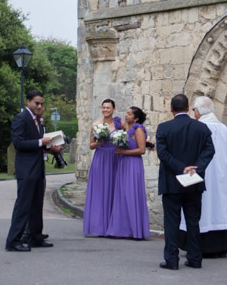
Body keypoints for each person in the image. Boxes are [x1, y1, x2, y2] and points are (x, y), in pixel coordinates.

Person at [155, 93, 215, 270]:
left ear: (171, 108)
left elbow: (163, 154)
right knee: (193, 221)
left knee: (172, 222)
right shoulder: (201, 128)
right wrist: (195, 167)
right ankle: (195, 258)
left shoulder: (164, 128)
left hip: (171, 182)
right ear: (188, 107)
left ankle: (172, 259)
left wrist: (181, 168)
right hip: (194, 181)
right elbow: (209, 151)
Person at [179, 95, 227, 258]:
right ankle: (220, 246)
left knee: (203, 208)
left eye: (194, 110)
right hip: (221, 177)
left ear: (198, 111)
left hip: (202, 173)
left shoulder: (198, 128)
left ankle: (200, 246)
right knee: (219, 207)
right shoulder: (223, 129)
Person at [5, 89, 63, 252]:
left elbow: (38, 144)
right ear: (28, 102)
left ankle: (35, 235)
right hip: (26, 168)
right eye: (36, 103)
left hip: (38, 168)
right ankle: (13, 240)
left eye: (41, 103)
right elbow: (19, 143)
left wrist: (50, 149)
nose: (39, 106)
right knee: (23, 205)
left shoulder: (37, 120)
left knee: (37, 204)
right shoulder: (21, 118)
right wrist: (40, 142)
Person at [106, 106, 150, 239]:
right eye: (126, 113)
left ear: (136, 118)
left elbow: (142, 150)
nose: (126, 115)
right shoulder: (125, 129)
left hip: (133, 163)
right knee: (122, 193)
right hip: (123, 163)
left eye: (129, 114)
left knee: (132, 193)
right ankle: (122, 228)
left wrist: (124, 152)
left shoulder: (138, 129)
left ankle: (135, 229)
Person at [83, 98, 123, 236]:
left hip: (115, 157)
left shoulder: (118, 124)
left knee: (113, 189)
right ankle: (99, 225)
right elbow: (91, 145)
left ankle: (113, 225)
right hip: (101, 158)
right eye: (103, 107)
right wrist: (99, 141)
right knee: (100, 190)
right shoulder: (95, 124)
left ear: (113, 109)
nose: (105, 110)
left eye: (108, 108)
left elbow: (128, 135)